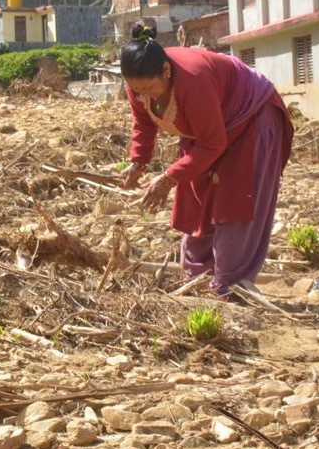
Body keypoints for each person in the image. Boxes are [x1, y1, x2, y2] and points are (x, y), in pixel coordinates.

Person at [117, 22, 292, 298]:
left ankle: (231, 289)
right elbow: (143, 122)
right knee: (196, 200)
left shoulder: (193, 79)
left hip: (251, 119)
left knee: (236, 203)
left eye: (149, 89)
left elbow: (212, 143)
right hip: (209, 128)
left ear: (166, 71)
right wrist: (138, 162)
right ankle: (197, 282)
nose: (142, 96)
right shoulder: (139, 82)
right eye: (136, 91)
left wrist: (168, 178)